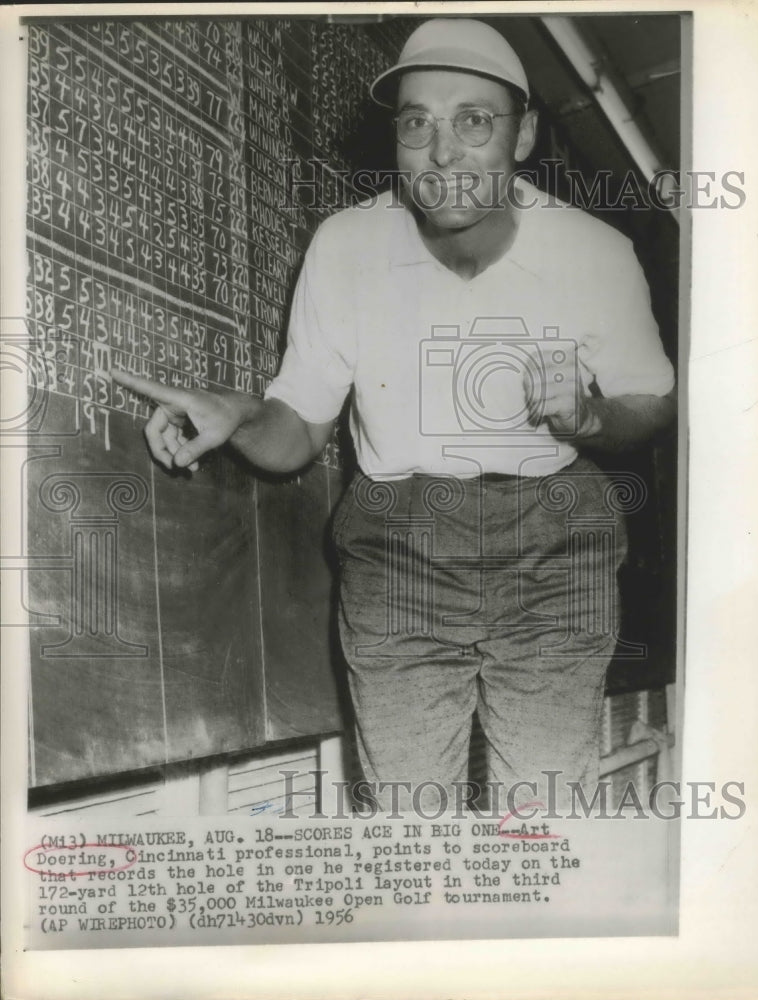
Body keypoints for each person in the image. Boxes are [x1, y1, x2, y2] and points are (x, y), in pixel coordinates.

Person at [114, 18, 675, 816]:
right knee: (413, 829)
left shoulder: (596, 253)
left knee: (544, 826)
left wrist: (585, 417)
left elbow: (651, 404)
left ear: (523, 137)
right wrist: (239, 414)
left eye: (473, 120)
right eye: (418, 123)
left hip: (555, 552)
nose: (442, 152)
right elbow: (299, 429)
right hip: (399, 551)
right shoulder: (344, 247)